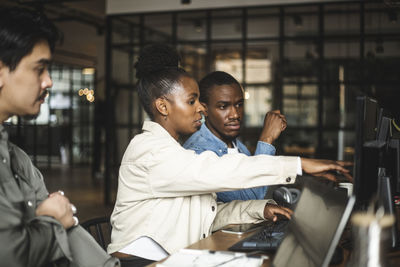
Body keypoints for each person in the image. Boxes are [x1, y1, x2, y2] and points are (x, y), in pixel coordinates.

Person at [107, 43, 352, 264]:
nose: (201, 108)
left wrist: (260, 209)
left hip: (171, 257)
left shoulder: (173, 152)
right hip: (140, 263)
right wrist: (299, 164)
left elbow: (208, 215)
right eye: (192, 101)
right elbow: (220, 170)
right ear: (162, 106)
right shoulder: (148, 152)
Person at [0, 7, 119, 267]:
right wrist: (53, 219)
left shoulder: (16, 159)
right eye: (39, 69)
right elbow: (10, 255)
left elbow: (64, 225)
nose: (49, 82)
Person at [184, 71, 288, 202]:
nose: (235, 115)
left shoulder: (238, 146)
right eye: (223, 106)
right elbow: (249, 200)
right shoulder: (197, 152)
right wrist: (267, 139)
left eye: (239, 105)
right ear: (204, 109)